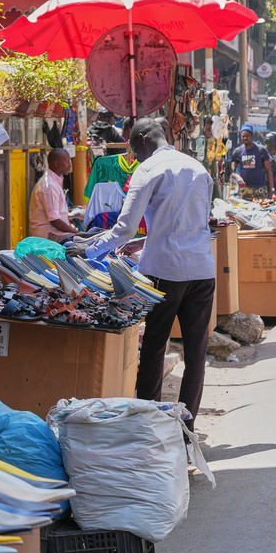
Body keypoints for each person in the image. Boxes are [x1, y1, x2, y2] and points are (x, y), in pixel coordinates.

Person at [68, 118, 215, 432]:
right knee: (195, 354)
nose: (134, 156)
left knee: (153, 350)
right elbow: (193, 226)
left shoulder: (147, 171)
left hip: (164, 273)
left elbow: (123, 228)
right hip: (202, 271)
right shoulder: (198, 168)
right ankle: (186, 431)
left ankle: (150, 427)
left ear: (145, 140)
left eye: (134, 149)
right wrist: (142, 241)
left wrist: (88, 250)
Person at [29, 149, 77, 241]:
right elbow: (55, 221)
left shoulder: (53, 181)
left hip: (54, 232)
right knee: (83, 243)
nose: (70, 165)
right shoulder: (49, 186)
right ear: (56, 164)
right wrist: (76, 233)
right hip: (49, 235)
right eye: (67, 162)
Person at [230, 124, 275, 201]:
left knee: (261, 211)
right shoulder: (237, 151)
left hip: (260, 189)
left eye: (247, 136)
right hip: (244, 190)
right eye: (243, 136)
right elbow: (231, 171)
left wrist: (272, 190)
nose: (245, 138)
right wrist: (238, 177)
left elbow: (269, 170)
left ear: (252, 136)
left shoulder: (261, 150)